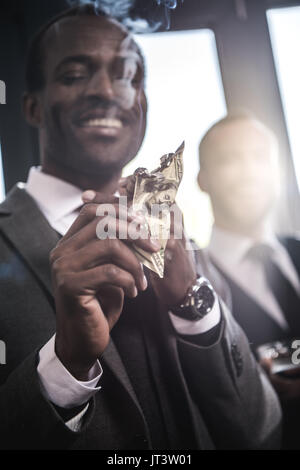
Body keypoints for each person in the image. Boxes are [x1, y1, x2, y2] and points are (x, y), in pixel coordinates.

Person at [0, 6, 280, 450]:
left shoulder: (185, 245)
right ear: (32, 107)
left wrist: (194, 305)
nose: (107, 91)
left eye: (128, 76)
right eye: (75, 75)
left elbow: (259, 429)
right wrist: (65, 363)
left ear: (143, 105)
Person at [198, 112, 300, 448]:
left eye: (261, 158)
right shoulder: (191, 289)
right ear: (203, 179)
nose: (250, 173)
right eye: (230, 160)